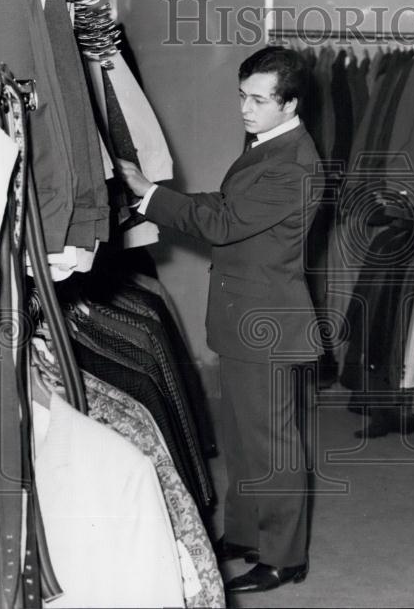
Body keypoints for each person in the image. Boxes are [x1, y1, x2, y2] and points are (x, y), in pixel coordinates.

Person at [117, 46, 322, 594]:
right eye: (242, 95)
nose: (245, 108)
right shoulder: (270, 145)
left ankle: (284, 556)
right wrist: (155, 196)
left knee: (272, 445)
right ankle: (247, 533)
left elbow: (225, 222)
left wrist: (152, 198)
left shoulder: (294, 161)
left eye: (258, 99)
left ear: (291, 103)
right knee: (242, 437)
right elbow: (228, 201)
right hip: (244, 316)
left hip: (267, 322)